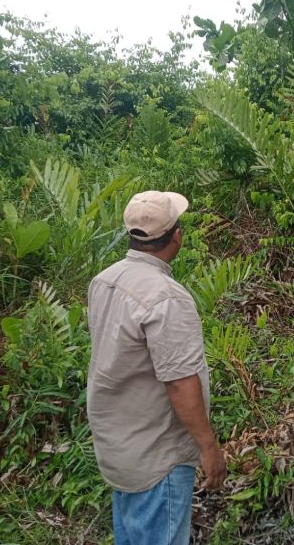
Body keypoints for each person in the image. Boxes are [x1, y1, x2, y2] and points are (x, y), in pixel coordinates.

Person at [86, 190, 227, 545]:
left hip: (118, 446)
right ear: (176, 235)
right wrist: (208, 447)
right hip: (156, 457)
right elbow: (180, 383)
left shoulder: (104, 281)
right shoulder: (166, 298)